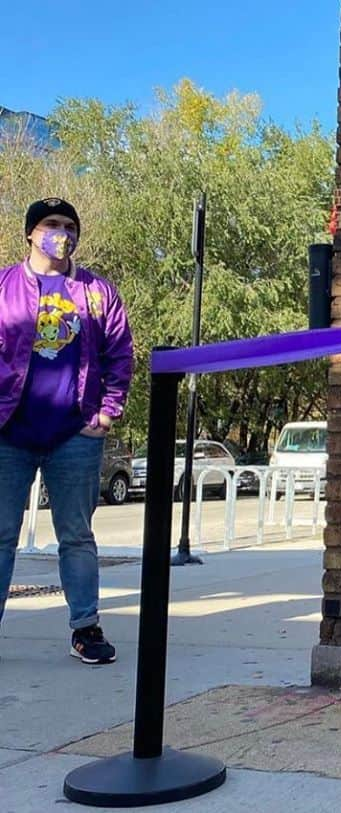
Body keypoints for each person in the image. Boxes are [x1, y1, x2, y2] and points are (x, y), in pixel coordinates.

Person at [0, 198, 133, 664]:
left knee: (76, 534)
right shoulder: (4, 286)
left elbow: (120, 355)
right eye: (51, 224)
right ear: (31, 233)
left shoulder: (98, 292)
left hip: (75, 433)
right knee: (0, 533)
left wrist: (107, 413)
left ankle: (86, 629)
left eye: (69, 225)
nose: (61, 232)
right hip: (8, 433)